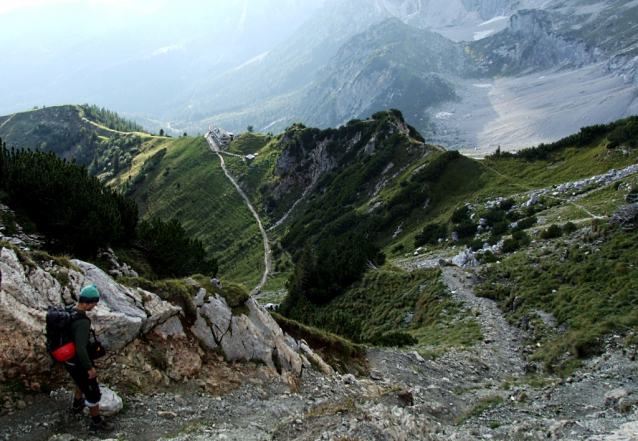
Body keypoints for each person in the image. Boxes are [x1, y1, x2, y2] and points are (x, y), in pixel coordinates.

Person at [65, 285, 115, 433]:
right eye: (94, 302)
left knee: (80, 380)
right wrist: (89, 368)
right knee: (92, 389)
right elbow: (80, 348)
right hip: (79, 360)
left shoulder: (69, 311)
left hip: (68, 359)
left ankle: (77, 404)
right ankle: (96, 421)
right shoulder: (82, 322)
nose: (95, 305)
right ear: (87, 302)